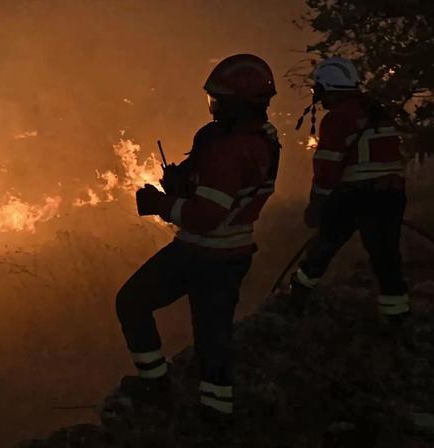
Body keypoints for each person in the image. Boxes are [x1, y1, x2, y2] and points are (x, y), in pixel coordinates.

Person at [116, 54, 280, 425]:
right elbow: (212, 192)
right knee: (210, 336)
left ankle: (185, 401)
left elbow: (207, 216)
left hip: (209, 258)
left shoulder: (231, 149)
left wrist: (161, 203)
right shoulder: (257, 140)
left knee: (140, 306)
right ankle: (205, 409)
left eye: (219, 100)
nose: (214, 108)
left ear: (238, 103)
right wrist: (182, 182)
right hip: (218, 253)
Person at [290, 57, 409, 321]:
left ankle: (295, 300)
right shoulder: (376, 110)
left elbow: (327, 168)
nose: (317, 97)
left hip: (356, 194)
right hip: (391, 194)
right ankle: (397, 316)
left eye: (318, 90)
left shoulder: (339, 118)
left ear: (328, 88)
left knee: (324, 247)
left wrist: (317, 205)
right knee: (387, 258)